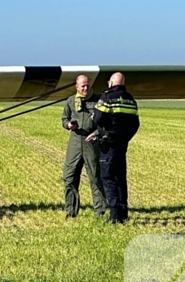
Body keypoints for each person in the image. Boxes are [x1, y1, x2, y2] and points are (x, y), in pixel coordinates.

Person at [90, 72, 140, 224]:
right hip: (122, 144)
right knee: (120, 178)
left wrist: (105, 133)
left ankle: (114, 215)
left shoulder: (107, 98)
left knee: (108, 178)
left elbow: (98, 117)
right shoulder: (130, 99)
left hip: (109, 145)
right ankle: (123, 212)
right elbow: (135, 124)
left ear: (111, 83)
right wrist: (124, 137)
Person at [60, 74, 107, 218]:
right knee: (69, 176)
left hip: (91, 142)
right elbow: (64, 119)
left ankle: (100, 212)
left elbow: (104, 122)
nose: (86, 88)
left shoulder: (98, 101)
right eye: (83, 86)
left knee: (95, 177)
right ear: (77, 87)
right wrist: (69, 125)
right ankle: (71, 211)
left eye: (87, 85)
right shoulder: (70, 101)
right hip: (75, 140)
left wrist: (96, 133)